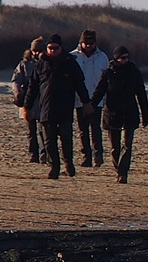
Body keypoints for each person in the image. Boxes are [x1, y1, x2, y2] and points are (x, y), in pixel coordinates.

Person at [24, 34, 87, 178]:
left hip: (65, 107)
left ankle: (68, 163)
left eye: (55, 48)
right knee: (49, 141)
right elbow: (32, 87)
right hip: (46, 108)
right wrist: (27, 106)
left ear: (61, 48)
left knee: (66, 138)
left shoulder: (70, 62)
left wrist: (86, 102)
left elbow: (80, 84)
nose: (52, 50)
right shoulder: (41, 63)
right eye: (50, 48)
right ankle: (54, 167)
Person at [93, 47, 148, 183]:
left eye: (127, 57)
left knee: (127, 145)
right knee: (114, 147)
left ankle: (123, 172)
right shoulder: (108, 73)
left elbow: (141, 94)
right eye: (122, 58)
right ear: (116, 58)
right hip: (112, 114)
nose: (125, 60)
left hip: (129, 113)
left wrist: (145, 113)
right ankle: (118, 168)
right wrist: (90, 106)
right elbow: (99, 91)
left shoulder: (134, 73)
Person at [70, 30, 110, 169]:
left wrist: (104, 98)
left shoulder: (102, 57)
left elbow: (106, 78)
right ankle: (86, 156)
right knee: (83, 130)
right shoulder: (73, 56)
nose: (88, 46)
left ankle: (98, 155)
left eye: (91, 43)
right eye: (85, 43)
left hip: (96, 98)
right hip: (79, 99)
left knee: (95, 128)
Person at [10, 38, 46, 163]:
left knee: (43, 130)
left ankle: (44, 153)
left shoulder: (47, 63)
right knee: (31, 131)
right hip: (28, 101)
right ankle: (33, 155)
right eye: (34, 50)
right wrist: (18, 93)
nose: (36, 53)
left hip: (43, 101)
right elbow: (16, 80)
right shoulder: (24, 64)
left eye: (39, 50)